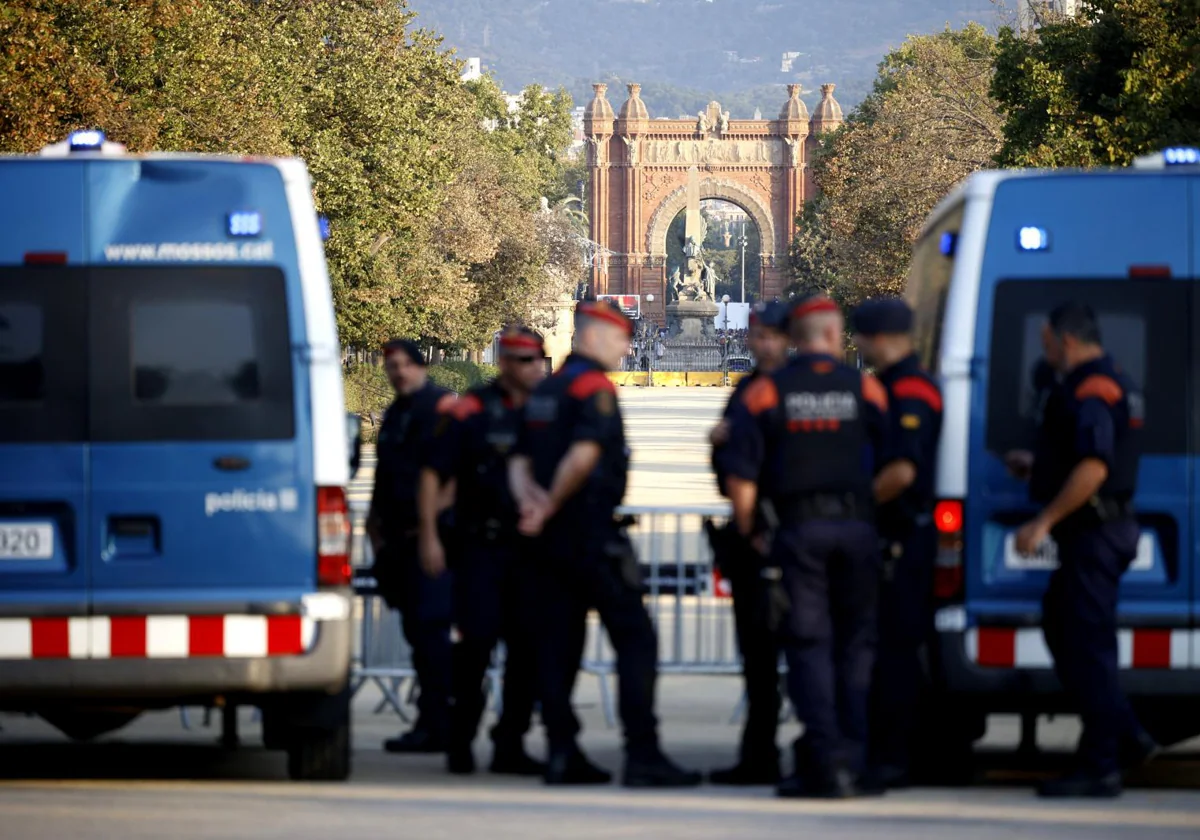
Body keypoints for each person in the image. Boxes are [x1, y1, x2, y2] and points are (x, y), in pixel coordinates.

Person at [509, 299, 701, 788]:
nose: (627, 347)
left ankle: (560, 751)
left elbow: (517, 461)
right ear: (594, 338)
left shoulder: (545, 390)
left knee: (559, 646)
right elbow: (585, 453)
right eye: (620, 339)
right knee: (636, 639)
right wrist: (551, 503)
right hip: (589, 535)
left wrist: (531, 503)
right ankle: (642, 753)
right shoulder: (594, 390)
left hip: (547, 543)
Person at [719, 293, 892, 799]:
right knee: (856, 646)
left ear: (796, 338)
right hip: (858, 531)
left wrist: (752, 529)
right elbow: (900, 464)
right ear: (836, 336)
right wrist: (864, 509)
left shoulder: (767, 394)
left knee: (810, 647)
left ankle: (825, 764)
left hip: (797, 533)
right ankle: (856, 760)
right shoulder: (866, 388)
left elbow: (741, 477)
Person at [1009, 302, 1158, 798]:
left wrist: (1043, 521)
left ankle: (1102, 763)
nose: (1045, 350)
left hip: (1096, 534)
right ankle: (1125, 736)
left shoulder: (1094, 387)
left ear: (1064, 340)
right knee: (1064, 625)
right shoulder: (1103, 381)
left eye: (1047, 341)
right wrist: (1039, 466)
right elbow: (1083, 457)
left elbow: (1095, 466)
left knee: (1088, 648)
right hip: (1096, 533)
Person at [419, 327, 549, 777]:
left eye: (538, 360)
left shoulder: (544, 410)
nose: (535, 368)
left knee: (526, 653)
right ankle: (460, 743)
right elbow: (434, 475)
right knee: (473, 651)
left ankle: (509, 744)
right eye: (525, 361)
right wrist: (430, 537)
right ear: (506, 363)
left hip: (528, 552)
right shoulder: (471, 410)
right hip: (478, 550)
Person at [850, 298, 943, 790]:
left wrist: (855, 507)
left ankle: (894, 759)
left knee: (896, 651)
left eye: (861, 336)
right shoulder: (891, 385)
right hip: (893, 536)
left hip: (904, 538)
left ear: (879, 338)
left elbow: (903, 469)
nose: (858, 344)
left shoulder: (909, 389)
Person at [706, 301, 792, 786]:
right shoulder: (809, 388)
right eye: (757, 335)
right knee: (790, 654)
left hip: (766, 538)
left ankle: (763, 756)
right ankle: (815, 749)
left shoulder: (757, 394)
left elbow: (740, 474)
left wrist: (745, 532)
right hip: (806, 538)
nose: (762, 344)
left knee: (766, 653)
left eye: (771, 335)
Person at [366, 339, 454, 754]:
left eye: (404, 364)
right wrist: (373, 526)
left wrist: (430, 531)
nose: (398, 372)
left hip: (430, 541)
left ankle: (440, 724)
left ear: (420, 367)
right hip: (398, 541)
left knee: (432, 633)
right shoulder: (396, 412)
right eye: (391, 365)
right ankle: (432, 722)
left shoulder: (438, 408)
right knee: (418, 634)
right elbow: (385, 474)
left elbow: (452, 479)